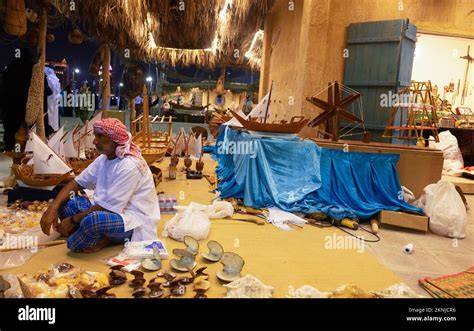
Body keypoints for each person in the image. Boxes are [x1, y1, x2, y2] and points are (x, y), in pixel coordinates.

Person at [40, 118, 160, 253]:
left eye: (100, 136)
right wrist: (53, 208)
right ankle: (98, 237)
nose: (95, 141)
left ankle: (90, 238)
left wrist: (72, 221)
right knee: (67, 203)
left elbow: (108, 207)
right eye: (95, 135)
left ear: (115, 141)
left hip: (133, 220)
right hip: (107, 210)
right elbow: (76, 182)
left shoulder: (129, 165)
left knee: (93, 221)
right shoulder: (105, 158)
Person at [0, 48, 35, 152]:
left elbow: (3, 86)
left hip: (10, 105)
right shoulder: (33, 67)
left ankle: (10, 149)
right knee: (26, 131)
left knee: (10, 130)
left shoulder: (11, 66)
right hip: (26, 105)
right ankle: (24, 151)